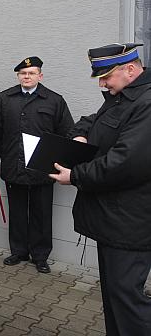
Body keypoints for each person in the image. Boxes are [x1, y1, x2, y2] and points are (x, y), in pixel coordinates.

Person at [49, 43, 151, 336]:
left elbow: (125, 162)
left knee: (128, 301)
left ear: (130, 69)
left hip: (130, 225)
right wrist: (80, 134)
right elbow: (91, 121)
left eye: (106, 77)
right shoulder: (121, 96)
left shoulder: (146, 103)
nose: (102, 84)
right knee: (115, 298)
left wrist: (75, 175)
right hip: (113, 221)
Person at [0, 56, 74, 273]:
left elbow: (66, 134)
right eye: (23, 74)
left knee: (42, 213)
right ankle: (18, 251)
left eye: (31, 73)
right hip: (13, 165)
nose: (27, 77)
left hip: (43, 170)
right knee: (17, 211)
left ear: (40, 76)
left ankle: (40, 256)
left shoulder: (54, 101)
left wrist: (63, 164)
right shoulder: (4, 99)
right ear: (18, 76)